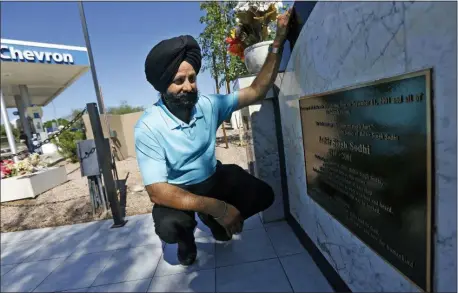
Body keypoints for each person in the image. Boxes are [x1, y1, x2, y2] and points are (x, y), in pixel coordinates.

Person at [135, 10, 291, 266]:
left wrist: (277, 44)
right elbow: (157, 191)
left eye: (192, 78)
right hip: (178, 190)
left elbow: (256, 91)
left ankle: (214, 222)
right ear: (163, 85)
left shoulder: (208, 105)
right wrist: (218, 207)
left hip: (212, 178)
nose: (188, 86)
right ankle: (188, 237)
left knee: (263, 194)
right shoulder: (148, 126)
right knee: (170, 226)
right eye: (179, 80)